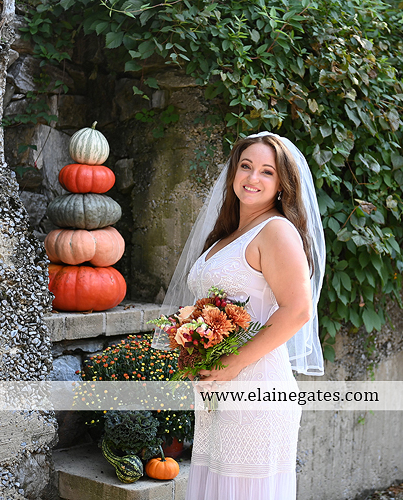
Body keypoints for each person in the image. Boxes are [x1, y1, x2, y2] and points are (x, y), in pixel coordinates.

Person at [153, 132, 325, 500]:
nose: (252, 178)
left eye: (267, 171)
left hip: (256, 388)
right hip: (218, 390)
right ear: (234, 173)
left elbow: (297, 310)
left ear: (282, 185)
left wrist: (233, 364)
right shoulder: (228, 235)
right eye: (246, 166)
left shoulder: (276, 230)